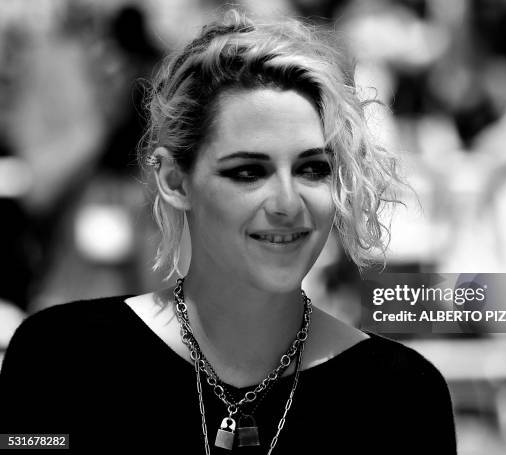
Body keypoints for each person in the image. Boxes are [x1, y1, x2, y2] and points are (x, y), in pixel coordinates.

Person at [0, 9, 456, 454]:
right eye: (247, 172)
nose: (286, 203)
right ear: (175, 181)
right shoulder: (59, 357)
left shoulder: (404, 394)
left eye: (312, 169)